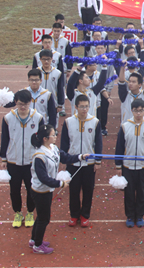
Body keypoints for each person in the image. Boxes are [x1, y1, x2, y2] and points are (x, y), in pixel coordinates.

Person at [30, 124, 88, 254]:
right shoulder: (39, 156)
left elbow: (66, 157)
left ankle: (34, 239)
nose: (56, 136)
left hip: (46, 190)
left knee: (41, 217)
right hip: (40, 192)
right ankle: (37, 245)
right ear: (45, 138)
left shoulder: (53, 148)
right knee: (44, 219)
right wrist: (60, 184)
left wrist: (81, 156)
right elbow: (43, 178)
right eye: (53, 135)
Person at [0, 90, 44, 228]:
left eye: (25, 104)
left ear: (30, 102)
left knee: (32, 189)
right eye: (19, 104)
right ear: (15, 102)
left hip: (31, 161)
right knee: (14, 189)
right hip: (13, 160)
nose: (22, 107)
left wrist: (42, 156)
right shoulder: (8, 118)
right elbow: (4, 138)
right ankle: (17, 213)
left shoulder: (38, 118)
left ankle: (30, 212)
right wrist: (3, 158)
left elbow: (42, 139)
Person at [115, 99, 144, 228]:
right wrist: (118, 165)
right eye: (135, 111)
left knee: (141, 192)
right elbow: (119, 147)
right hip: (127, 165)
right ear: (132, 111)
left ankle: (139, 215)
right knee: (128, 192)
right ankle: (130, 216)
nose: (138, 113)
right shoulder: (125, 126)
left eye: (141, 110)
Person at [60, 94, 102, 227]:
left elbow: (98, 143)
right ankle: (74, 215)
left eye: (87, 106)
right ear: (76, 107)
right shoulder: (68, 122)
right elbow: (64, 144)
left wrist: (98, 161)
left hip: (89, 164)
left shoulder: (95, 122)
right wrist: (65, 160)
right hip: (73, 163)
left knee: (88, 190)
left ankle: (85, 215)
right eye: (82, 107)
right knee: (74, 190)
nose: (84, 109)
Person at [37, 49, 65, 119]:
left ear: (52, 59)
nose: (46, 61)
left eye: (48, 59)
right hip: (38, 102)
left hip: (53, 102)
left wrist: (60, 104)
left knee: (53, 123)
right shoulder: (36, 72)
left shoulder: (57, 73)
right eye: (44, 59)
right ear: (40, 59)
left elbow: (60, 89)